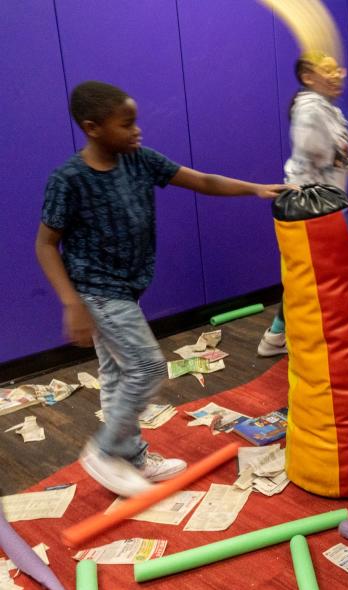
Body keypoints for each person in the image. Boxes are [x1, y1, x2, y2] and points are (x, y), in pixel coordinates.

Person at [36, 81, 290, 497]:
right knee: (149, 367)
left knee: (119, 373)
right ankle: (105, 450)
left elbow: (203, 181)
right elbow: (45, 244)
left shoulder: (138, 160)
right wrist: (71, 303)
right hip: (96, 291)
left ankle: (131, 457)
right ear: (93, 127)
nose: (137, 131)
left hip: (128, 286)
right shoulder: (69, 180)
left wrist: (255, 188)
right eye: (127, 124)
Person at [257, 53, 348, 357]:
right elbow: (318, 155)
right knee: (313, 278)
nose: (339, 74)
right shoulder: (310, 109)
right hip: (308, 207)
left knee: (310, 278)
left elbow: (336, 162)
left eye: (338, 69)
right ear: (308, 77)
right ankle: (287, 338)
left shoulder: (328, 111)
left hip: (327, 205)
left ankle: (277, 336)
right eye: (327, 70)